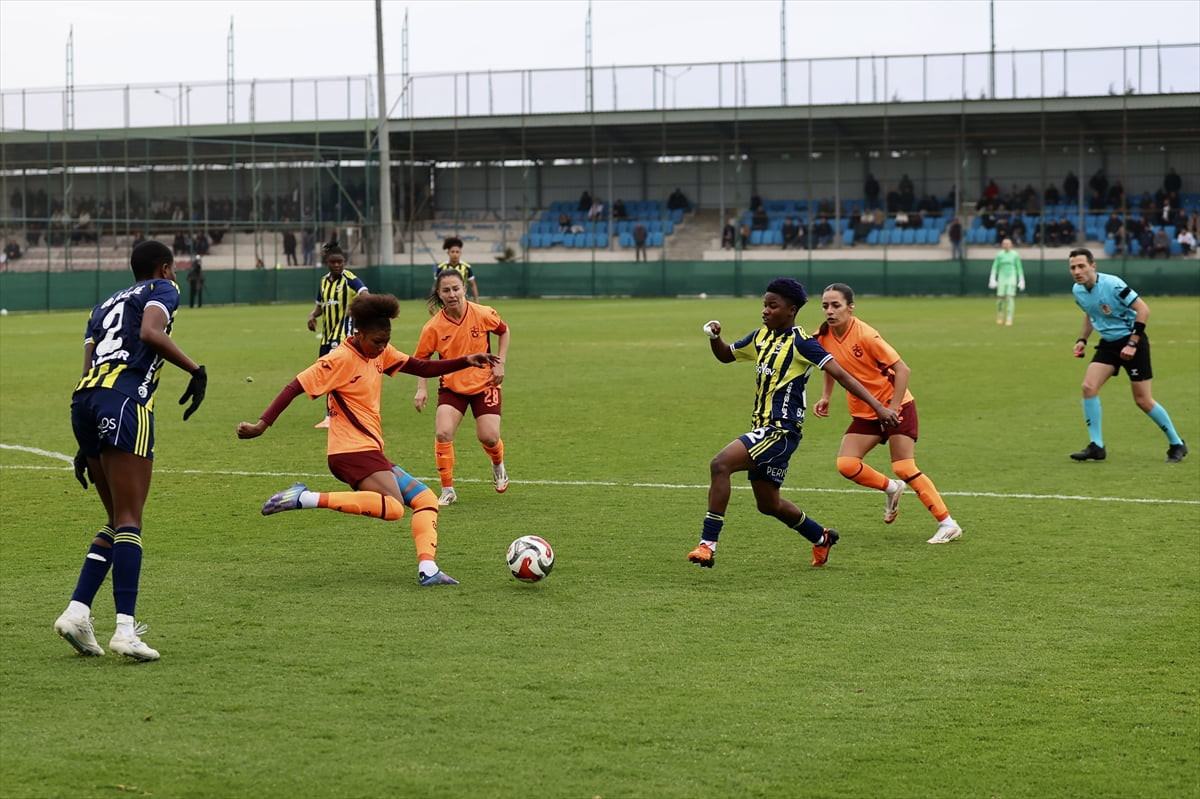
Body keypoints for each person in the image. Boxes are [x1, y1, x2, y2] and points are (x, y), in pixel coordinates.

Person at [238, 293, 500, 585]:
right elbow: (295, 386)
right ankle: (304, 498)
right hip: (348, 452)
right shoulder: (338, 359)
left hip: (370, 451)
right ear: (359, 333)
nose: (382, 348)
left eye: (386, 341)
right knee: (395, 508)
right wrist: (262, 424)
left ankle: (428, 570)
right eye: (377, 341)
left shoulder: (380, 353)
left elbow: (420, 366)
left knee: (427, 499)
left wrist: (465, 360)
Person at [54, 240, 208, 661]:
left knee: (113, 518)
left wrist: (86, 446)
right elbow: (149, 333)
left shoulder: (102, 306)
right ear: (163, 268)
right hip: (125, 401)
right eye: (172, 267)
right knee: (129, 519)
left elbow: (88, 367)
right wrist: (196, 370)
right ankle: (125, 628)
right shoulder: (162, 290)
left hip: (85, 401)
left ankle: (77, 611)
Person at [686, 278, 900, 570]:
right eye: (764, 304)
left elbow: (843, 375)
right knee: (768, 504)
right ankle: (821, 537)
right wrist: (715, 338)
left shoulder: (803, 343)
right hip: (763, 429)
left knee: (720, 464)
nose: (765, 311)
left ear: (791, 310)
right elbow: (727, 355)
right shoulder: (761, 337)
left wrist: (878, 407)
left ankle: (707, 544)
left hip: (781, 430)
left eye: (772, 306)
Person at [813, 283, 963, 544]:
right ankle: (892, 488)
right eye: (825, 305)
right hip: (865, 411)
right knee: (846, 465)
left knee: (904, 466)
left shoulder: (866, 335)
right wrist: (826, 396)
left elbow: (903, 369)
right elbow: (830, 366)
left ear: (850, 308)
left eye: (836, 305)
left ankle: (948, 524)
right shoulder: (822, 336)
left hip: (897, 406)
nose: (829, 311)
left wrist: (892, 408)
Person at [1068, 248, 1187, 464]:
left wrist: (1133, 342)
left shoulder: (1113, 284)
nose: (1077, 271)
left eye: (1081, 266)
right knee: (1088, 387)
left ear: (1093, 266)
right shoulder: (1078, 290)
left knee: (1142, 400)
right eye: (1073, 267)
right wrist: (1082, 339)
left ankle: (1176, 443)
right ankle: (1097, 446)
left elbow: (1143, 310)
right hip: (1109, 345)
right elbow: (1090, 313)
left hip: (1133, 341)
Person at [413, 270, 511, 506]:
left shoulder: (482, 313)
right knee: (443, 432)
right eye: (446, 290)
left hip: (485, 383)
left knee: (488, 437)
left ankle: (498, 465)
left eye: (456, 288)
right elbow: (421, 361)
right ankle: (447, 489)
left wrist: (500, 364)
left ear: (464, 289)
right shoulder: (433, 327)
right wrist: (421, 389)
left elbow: (504, 331)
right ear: (439, 294)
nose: (452, 294)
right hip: (452, 387)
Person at [308, 238, 369, 428]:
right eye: (333, 262)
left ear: (344, 262)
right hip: (327, 337)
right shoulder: (324, 282)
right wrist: (312, 315)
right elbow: (320, 306)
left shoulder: (350, 279)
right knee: (327, 375)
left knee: (334, 374)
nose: (337, 265)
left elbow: (366, 296)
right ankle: (340, 412)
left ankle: (332, 415)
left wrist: (358, 314)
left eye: (340, 262)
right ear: (327, 262)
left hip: (343, 336)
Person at [988, 237, 1025, 326]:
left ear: (1011, 245)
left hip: (1011, 277)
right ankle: (1000, 314)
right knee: (1000, 299)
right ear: (1002, 245)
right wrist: (992, 278)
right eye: (1004, 243)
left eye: (1008, 243)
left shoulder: (1015, 254)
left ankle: (1009, 317)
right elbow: (995, 266)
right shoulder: (999, 255)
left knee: (1010, 298)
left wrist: (1021, 279)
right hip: (1002, 278)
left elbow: (1019, 267)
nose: (1006, 245)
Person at [434, 236, 479, 303]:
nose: (455, 254)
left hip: (462, 300)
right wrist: (433, 302)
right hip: (446, 300)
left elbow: (472, 285)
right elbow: (436, 286)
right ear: (448, 253)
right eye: (452, 252)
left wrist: (476, 300)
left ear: (461, 253)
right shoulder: (441, 267)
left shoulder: (466, 267)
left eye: (457, 252)